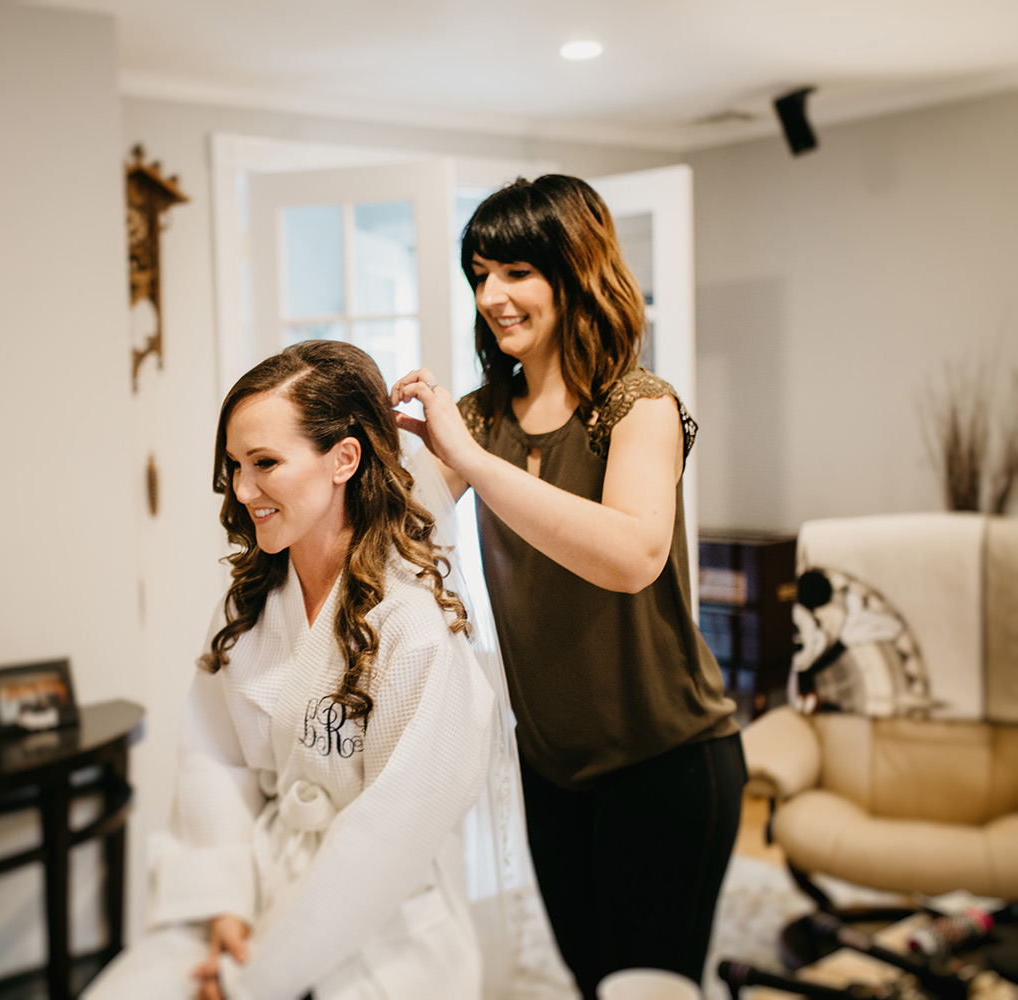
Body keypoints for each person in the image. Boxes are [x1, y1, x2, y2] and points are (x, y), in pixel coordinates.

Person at [390, 174, 744, 998]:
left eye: (515, 271)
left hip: (668, 762)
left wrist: (473, 462)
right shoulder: (482, 416)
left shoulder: (639, 407)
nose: (492, 296)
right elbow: (400, 538)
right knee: (593, 983)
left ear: (575, 270)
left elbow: (630, 555)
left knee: (647, 990)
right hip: (552, 767)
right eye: (480, 274)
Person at [83, 340, 497, 1000]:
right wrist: (226, 904)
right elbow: (213, 760)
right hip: (258, 885)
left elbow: (390, 834)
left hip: (382, 922)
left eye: (265, 463)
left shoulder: (411, 629)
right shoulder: (249, 603)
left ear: (344, 459)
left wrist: (259, 976)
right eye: (235, 466)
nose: (243, 490)